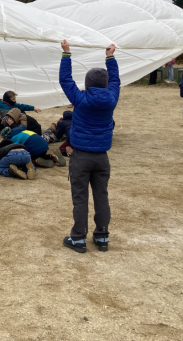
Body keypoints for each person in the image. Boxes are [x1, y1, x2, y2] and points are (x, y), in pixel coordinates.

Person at [59, 40, 120, 253]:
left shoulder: (80, 99)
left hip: (81, 157)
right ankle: (102, 237)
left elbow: (65, 80)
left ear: (87, 84)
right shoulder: (112, 98)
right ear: (106, 85)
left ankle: (78, 238)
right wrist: (110, 57)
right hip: (102, 158)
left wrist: (67, 54)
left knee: (80, 197)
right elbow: (116, 81)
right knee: (101, 196)